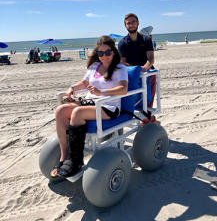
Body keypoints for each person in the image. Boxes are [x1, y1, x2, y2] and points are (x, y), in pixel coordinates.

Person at [51, 36, 128, 179]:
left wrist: (101, 92)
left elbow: (123, 89)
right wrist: (72, 88)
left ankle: (76, 161)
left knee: (78, 112)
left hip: (109, 107)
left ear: (113, 52)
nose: (103, 56)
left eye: (107, 52)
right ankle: (64, 156)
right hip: (91, 103)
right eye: (100, 53)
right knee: (60, 111)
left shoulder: (120, 68)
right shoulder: (94, 66)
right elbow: (84, 82)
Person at [118, 13, 159, 123]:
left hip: (148, 74)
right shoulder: (122, 43)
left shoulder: (146, 40)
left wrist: (144, 69)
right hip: (132, 76)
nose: (131, 25)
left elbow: (151, 59)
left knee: (148, 104)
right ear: (125, 25)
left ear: (138, 23)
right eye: (128, 23)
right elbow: (123, 62)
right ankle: (152, 122)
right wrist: (136, 70)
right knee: (134, 102)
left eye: (133, 22)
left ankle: (149, 122)